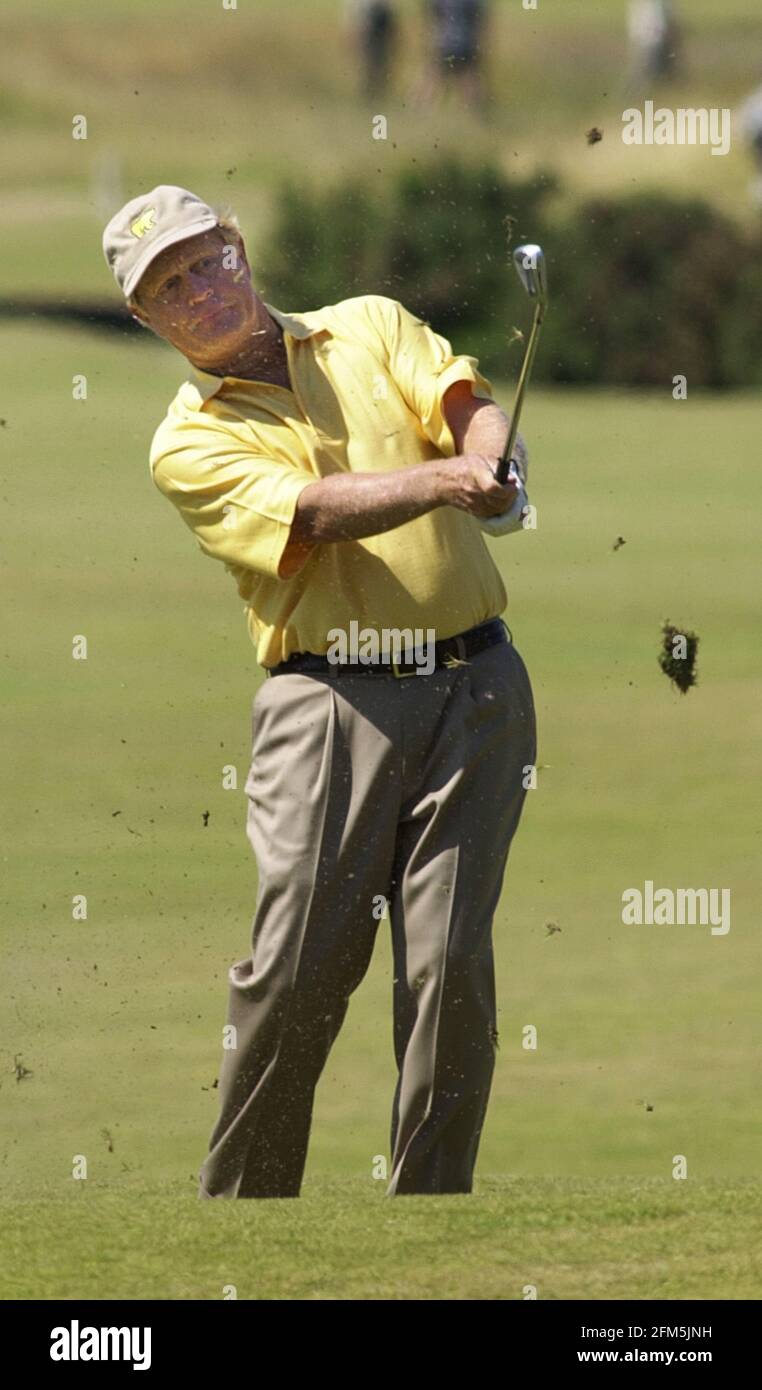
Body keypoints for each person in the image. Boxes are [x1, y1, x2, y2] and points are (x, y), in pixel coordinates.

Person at [101, 184, 537, 1199]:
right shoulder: (186, 440)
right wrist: (444, 484)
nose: (199, 291)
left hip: (479, 684)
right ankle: (249, 1218)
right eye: (169, 287)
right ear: (145, 318)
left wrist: (490, 464)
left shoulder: (368, 326)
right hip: (328, 702)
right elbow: (317, 511)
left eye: (206, 261)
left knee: (449, 972)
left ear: (240, 249)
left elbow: (465, 406)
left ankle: (432, 1211)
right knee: (295, 971)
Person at [419, 0, 488, 112]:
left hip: (444, 41)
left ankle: (422, 109)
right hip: (466, 42)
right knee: (467, 78)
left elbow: (432, 16)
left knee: (434, 77)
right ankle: (474, 111)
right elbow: (479, 21)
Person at [345, 0, 398, 99]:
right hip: (370, 23)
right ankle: (370, 93)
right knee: (370, 63)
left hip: (380, 22)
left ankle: (377, 93)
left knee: (380, 63)